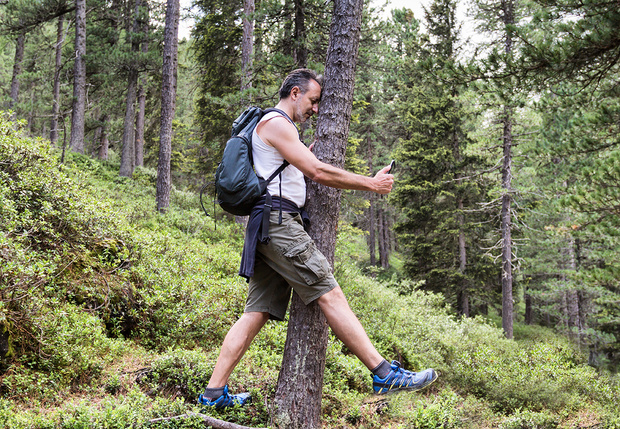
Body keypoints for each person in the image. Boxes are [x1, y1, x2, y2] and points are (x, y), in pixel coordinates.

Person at [198, 69, 437, 408]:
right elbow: (318, 171)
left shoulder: (279, 131)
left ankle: (213, 394)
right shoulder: (278, 123)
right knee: (328, 290)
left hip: (266, 225)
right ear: (295, 93)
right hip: (279, 224)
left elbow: (287, 171)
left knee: (257, 311)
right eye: (312, 101)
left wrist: (299, 156)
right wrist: (370, 183)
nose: (316, 109)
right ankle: (384, 374)